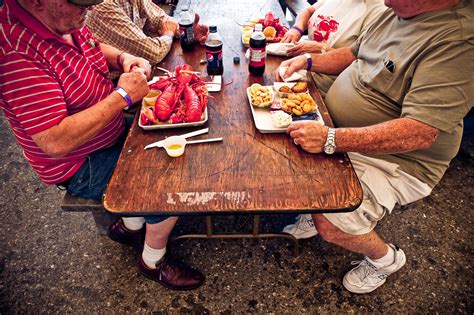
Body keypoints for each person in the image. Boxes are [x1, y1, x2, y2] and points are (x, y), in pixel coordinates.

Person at [0, 0, 204, 290]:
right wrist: (122, 95)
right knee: (171, 179)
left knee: (166, 142)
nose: (91, 10)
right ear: (37, 1)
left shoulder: (62, 20)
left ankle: (130, 226)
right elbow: (55, 142)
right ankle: (152, 260)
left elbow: (93, 47)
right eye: (81, 4)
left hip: (108, 132)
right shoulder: (15, 53)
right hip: (80, 163)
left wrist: (123, 58)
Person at [276, 0, 473, 294]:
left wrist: (331, 139)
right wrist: (308, 62)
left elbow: (420, 133)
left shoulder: (458, 42)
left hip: (399, 159)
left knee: (331, 223)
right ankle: (317, 209)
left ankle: (385, 259)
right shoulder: (395, 8)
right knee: (284, 154)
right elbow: (355, 54)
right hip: (343, 130)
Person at [281, 0, 386, 239]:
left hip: (326, 90)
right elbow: (308, 10)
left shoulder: (381, 10)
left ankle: (384, 258)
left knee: (298, 150)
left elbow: (363, 61)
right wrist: (297, 31)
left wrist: (317, 51)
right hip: (307, 76)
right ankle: (311, 206)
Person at [86, 0, 208, 79]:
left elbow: (161, 19)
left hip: (140, 71)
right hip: (115, 85)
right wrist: (169, 33)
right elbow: (154, 53)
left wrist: (188, 31)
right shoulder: (103, 5)